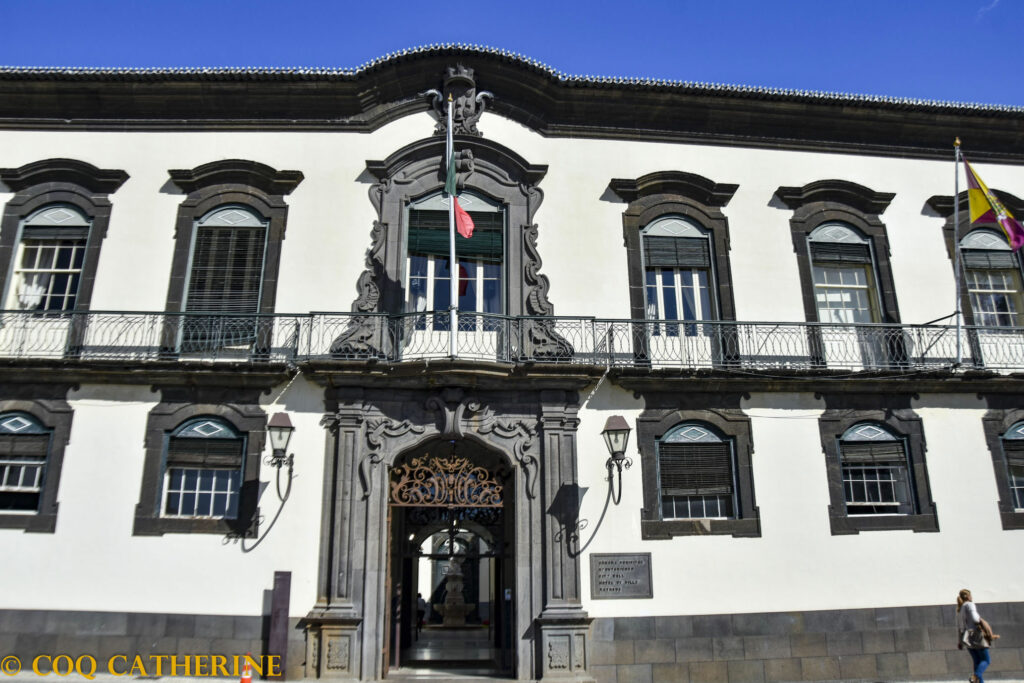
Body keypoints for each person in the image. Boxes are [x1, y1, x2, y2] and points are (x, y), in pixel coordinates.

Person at [957, 588, 1000, 683]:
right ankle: (975, 676)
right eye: (971, 595)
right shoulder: (970, 604)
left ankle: (978, 680)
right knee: (986, 660)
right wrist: (981, 620)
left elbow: (960, 627)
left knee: (977, 661)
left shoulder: (960, 609)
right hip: (976, 635)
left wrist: (960, 642)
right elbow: (976, 619)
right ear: (968, 596)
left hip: (966, 637)